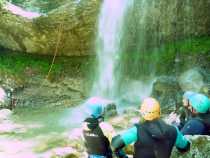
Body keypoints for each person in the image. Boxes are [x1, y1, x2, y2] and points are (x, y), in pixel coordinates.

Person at [111, 97, 190, 158]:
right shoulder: (174, 130)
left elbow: (115, 144)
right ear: (159, 112)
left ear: (142, 113)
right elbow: (185, 147)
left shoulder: (137, 130)